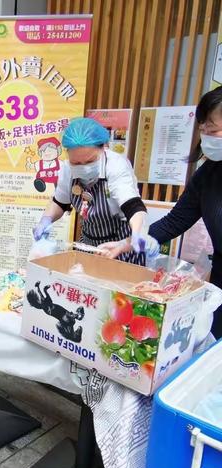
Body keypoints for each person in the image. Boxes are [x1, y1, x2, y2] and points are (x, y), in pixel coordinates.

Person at [145, 86, 222, 339]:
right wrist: (137, 240)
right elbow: (176, 220)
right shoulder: (208, 174)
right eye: (203, 129)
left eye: (212, 130)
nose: (206, 136)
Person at [33, 117, 148, 264]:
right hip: (88, 243)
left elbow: (133, 207)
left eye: (90, 161)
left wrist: (135, 237)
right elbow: (60, 203)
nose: (83, 167)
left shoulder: (116, 165)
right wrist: (45, 220)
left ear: (103, 147)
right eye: (76, 162)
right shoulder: (67, 168)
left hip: (119, 246)